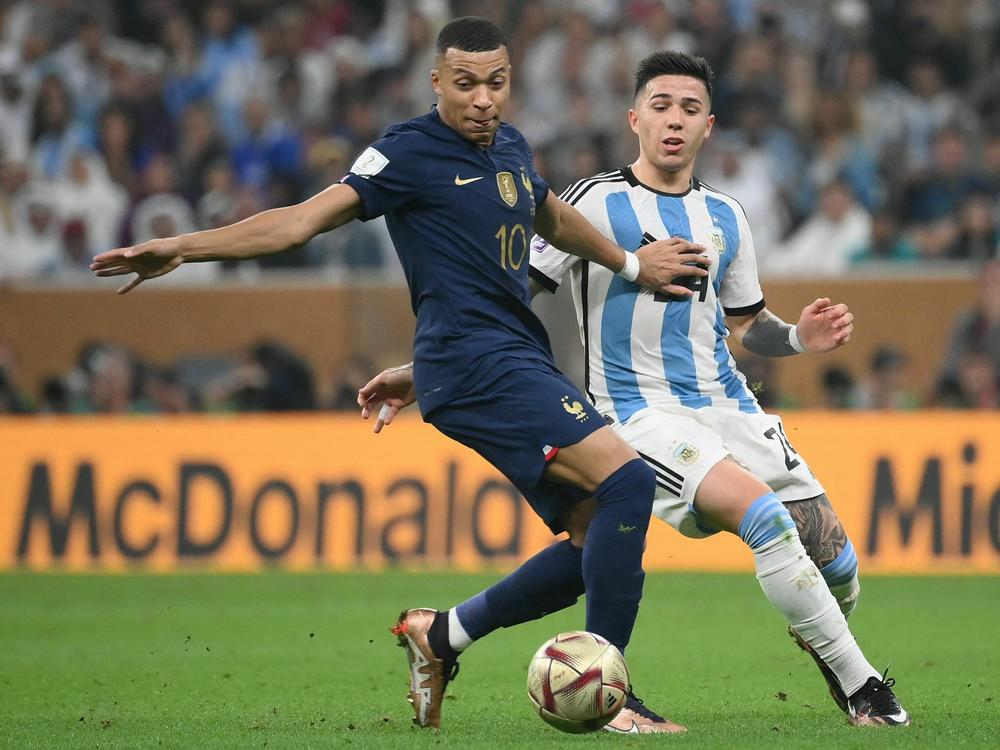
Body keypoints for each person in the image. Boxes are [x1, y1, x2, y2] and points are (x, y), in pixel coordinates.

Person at [91, 17, 709, 733]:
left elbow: (552, 218)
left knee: (596, 535)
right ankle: (613, 698)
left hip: (501, 356)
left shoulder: (510, 147)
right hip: (480, 362)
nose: (483, 99)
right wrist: (184, 248)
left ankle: (441, 635)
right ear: (437, 83)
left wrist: (631, 264)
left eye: (497, 83)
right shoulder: (408, 151)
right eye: (467, 83)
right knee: (628, 482)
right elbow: (299, 222)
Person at [360, 51, 910, 730]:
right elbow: (512, 291)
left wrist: (797, 338)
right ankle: (864, 693)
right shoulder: (594, 201)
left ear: (708, 125)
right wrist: (428, 369)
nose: (673, 120)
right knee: (763, 520)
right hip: (638, 414)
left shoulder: (728, 215)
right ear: (635, 119)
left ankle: (445, 634)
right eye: (659, 105)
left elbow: (745, 325)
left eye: (687, 108)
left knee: (838, 566)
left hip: (731, 407)